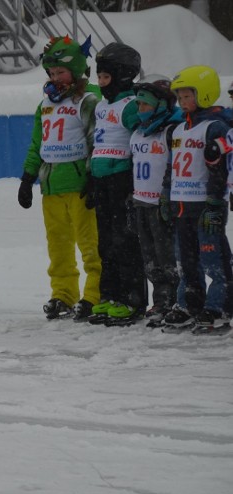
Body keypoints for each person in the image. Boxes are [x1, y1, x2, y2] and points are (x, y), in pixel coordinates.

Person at [17, 35, 102, 321]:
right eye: (51, 73)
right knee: (59, 246)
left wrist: (93, 178)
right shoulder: (46, 105)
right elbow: (36, 144)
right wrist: (28, 178)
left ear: (76, 71)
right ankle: (63, 293)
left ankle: (94, 294)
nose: (55, 77)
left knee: (90, 245)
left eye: (61, 72)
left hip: (79, 185)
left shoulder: (89, 99)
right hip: (52, 186)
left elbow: (95, 141)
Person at [160, 65, 232, 333]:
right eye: (179, 97)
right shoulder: (177, 130)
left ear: (203, 94)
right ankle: (190, 303)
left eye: (187, 96)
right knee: (186, 260)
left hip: (205, 205)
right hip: (181, 204)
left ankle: (219, 306)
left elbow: (220, 168)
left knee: (213, 259)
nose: (182, 101)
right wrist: (166, 196)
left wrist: (215, 202)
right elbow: (171, 167)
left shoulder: (215, 127)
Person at [85, 42, 146, 326]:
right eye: (99, 76)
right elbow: (98, 143)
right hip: (102, 180)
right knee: (105, 243)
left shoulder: (131, 105)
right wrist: (91, 177)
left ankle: (132, 300)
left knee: (125, 242)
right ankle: (109, 295)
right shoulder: (101, 106)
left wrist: (134, 182)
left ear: (123, 75)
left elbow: (142, 143)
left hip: (122, 179)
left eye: (105, 76)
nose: (100, 82)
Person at [129, 76, 183, 326]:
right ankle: (159, 300)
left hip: (161, 205)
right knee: (149, 257)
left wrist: (167, 196)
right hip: (141, 203)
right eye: (139, 105)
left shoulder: (171, 132)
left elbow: (174, 168)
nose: (140, 110)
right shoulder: (138, 134)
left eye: (145, 105)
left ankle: (174, 300)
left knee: (167, 256)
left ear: (161, 105)